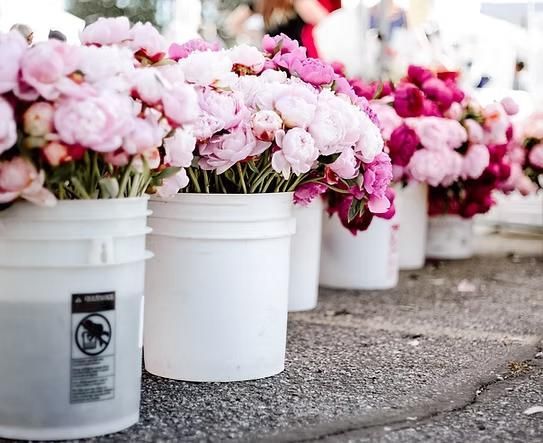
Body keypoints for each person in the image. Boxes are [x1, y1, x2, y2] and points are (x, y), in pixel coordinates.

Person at [225, 0, 340, 58]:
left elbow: (326, 23)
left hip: (299, 62)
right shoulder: (261, 5)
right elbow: (232, 25)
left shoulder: (298, 2)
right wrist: (257, 36)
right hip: (279, 64)